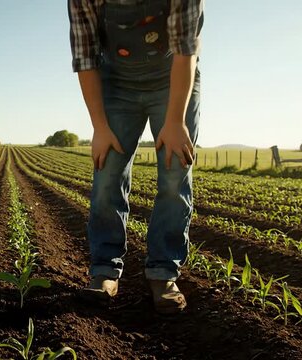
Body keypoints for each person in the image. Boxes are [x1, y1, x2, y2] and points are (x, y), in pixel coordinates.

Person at [68, 0, 203, 314]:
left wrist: (174, 121)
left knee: (173, 174)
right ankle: (104, 269)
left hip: (173, 79)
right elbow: (85, 58)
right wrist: (100, 127)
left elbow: (186, 49)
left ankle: (163, 273)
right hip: (116, 84)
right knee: (107, 174)